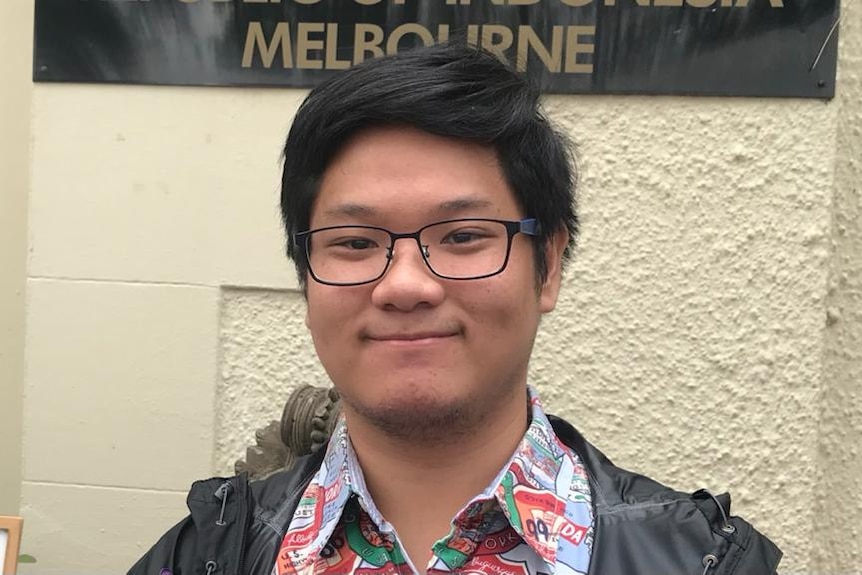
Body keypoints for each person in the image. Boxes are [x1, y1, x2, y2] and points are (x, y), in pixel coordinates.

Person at [129, 42, 782, 575]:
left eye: (464, 236)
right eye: (355, 243)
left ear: (548, 265)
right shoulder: (206, 554)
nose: (405, 284)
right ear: (306, 278)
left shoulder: (703, 561)